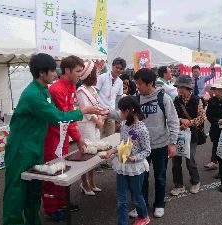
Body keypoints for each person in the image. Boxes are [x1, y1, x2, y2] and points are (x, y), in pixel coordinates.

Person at [3, 53, 102, 225]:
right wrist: (84, 111)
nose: (55, 74)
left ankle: (34, 220)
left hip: (36, 146)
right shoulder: (33, 94)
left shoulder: (43, 91)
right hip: (21, 148)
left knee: (34, 187)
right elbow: (57, 116)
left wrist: (76, 135)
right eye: (52, 71)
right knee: (16, 191)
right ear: (42, 73)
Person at [107, 68, 179, 218]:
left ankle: (159, 204)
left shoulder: (163, 98)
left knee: (160, 176)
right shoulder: (137, 99)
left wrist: (172, 142)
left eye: (139, 84)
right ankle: (142, 206)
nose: (137, 87)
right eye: (136, 83)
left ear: (150, 83)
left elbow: (173, 120)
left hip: (160, 145)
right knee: (141, 178)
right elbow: (123, 114)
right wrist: (106, 112)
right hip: (139, 148)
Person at [41, 55, 86, 221]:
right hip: (52, 139)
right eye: (78, 71)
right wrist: (79, 138)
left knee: (63, 170)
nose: (80, 75)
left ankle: (62, 203)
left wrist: (77, 137)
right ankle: (51, 209)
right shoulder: (56, 89)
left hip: (63, 137)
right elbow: (65, 116)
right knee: (51, 174)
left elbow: (70, 117)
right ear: (67, 70)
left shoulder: (71, 87)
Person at [102, 96, 151, 225]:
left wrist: (134, 157)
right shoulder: (124, 125)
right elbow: (122, 144)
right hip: (122, 165)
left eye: (122, 111)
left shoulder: (142, 129)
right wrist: (112, 151)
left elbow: (147, 151)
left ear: (129, 111)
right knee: (121, 199)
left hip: (136, 168)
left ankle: (144, 216)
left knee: (136, 195)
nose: (120, 114)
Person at [169, 76, 203, 196]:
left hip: (192, 134)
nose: (178, 89)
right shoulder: (176, 100)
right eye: (178, 87)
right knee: (176, 161)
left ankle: (195, 181)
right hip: (177, 134)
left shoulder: (197, 100)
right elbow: (172, 116)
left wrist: (190, 122)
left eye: (181, 87)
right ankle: (179, 185)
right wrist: (180, 121)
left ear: (187, 88)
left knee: (190, 159)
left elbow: (201, 117)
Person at [77, 61, 104, 196]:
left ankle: (92, 181)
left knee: (94, 153)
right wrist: (98, 121)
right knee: (86, 153)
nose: (97, 75)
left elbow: (98, 105)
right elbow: (86, 110)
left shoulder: (92, 89)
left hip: (95, 124)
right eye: (95, 73)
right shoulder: (81, 90)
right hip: (86, 125)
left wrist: (100, 119)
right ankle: (84, 183)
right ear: (90, 75)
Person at [97, 57, 126, 170]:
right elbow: (96, 93)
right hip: (100, 111)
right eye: (116, 67)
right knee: (98, 138)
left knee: (109, 138)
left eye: (120, 68)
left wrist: (119, 114)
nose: (118, 70)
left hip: (112, 112)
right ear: (112, 66)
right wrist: (97, 109)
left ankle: (104, 160)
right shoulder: (102, 77)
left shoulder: (120, 82)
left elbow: (118, 99)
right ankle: (96, 163)